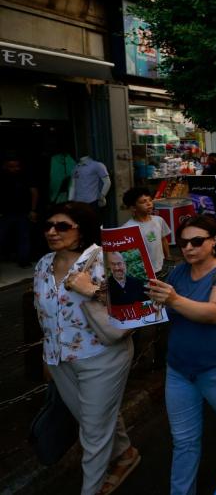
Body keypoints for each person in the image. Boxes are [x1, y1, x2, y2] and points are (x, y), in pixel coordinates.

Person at [34, 202, 139, 495]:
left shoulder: (105, 260)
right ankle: (127, 454)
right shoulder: (43, 264)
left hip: (102, 356)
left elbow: (135, 307)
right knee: (92, 417)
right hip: (60, 359)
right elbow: (43, 313)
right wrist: (47, 354)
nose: (53, 232)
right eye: (48, 226)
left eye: (62, 226)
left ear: (81, 230)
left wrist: (91, 291)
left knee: (93, 432)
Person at [146, 215, 216, 495]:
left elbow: (215, 311)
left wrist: (173, 299)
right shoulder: (179, 273)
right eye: (183, 243)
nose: (189, 248)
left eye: (197, 241)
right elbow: (161, 312)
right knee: (183, 441)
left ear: (214, 241)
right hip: (179, 370)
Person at [122, 187, 171, 278]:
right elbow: (128, 254)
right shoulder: (127, 228)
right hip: (142, 271)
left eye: (150, 200)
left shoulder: (159, 220)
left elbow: (163, 240)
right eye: (143, 202)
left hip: (160, 267)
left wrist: (168, 257)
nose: (149, 204)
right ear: (133, 208)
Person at [0, 157, 39, 267]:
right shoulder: (3, 177)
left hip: (23, 212)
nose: (15, 169)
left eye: (17, 166)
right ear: (5, 166)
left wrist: (33, 210)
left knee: (24, 237)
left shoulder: (25, 176)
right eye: (12, 167)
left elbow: (34, 192)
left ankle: (23, 260)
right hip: (5, 213)